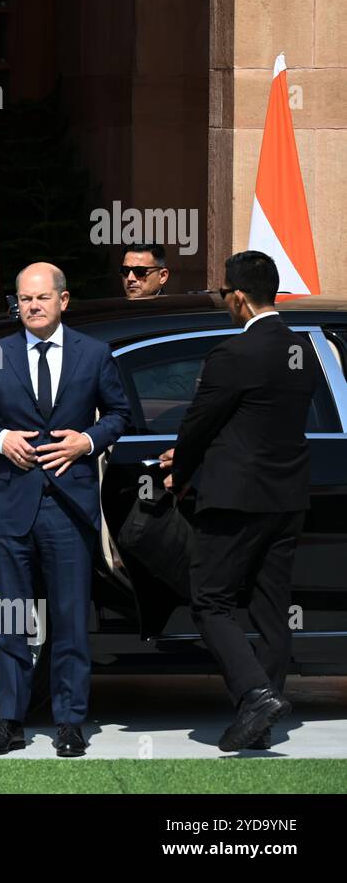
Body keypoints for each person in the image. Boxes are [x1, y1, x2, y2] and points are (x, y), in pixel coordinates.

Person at [0, 262, 130, 757]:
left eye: (42, 298)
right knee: (13, 618)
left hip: (70, 506)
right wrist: (1, 439)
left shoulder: (93, 354)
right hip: (12, 505)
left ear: (63, 301)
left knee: (69, 618)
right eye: (24, 299)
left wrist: (85, 442)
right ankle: (11, 721)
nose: (32, 306)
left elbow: (120, 415)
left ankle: (70, 722)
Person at [158, 250, 317, 751]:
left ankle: (254, 696)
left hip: (234, 500)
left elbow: (199, 424)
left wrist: (180, 472)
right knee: (272, 610)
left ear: (241, 299)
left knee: (210, 601)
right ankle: (261, 719)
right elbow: (261, 418)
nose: (225, 302)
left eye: (226, 294)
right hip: (287, 498)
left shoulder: (232, 355)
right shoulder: (303, 350)